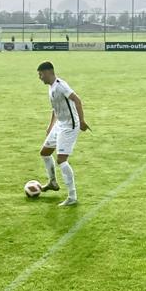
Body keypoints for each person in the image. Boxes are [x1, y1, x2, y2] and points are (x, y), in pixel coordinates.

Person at [37, 61, 89, 207]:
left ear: (48, 72)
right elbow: (55, 109)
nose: (40, 77)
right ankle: (52, 182)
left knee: (61, 160)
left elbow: (77, 100)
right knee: (45, 153)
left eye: (40, 74)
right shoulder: (51, 87)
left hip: (69, 126)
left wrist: (82, 121)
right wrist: (50, 126)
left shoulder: (60, 85)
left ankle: (72, 197)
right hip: (59, 125)